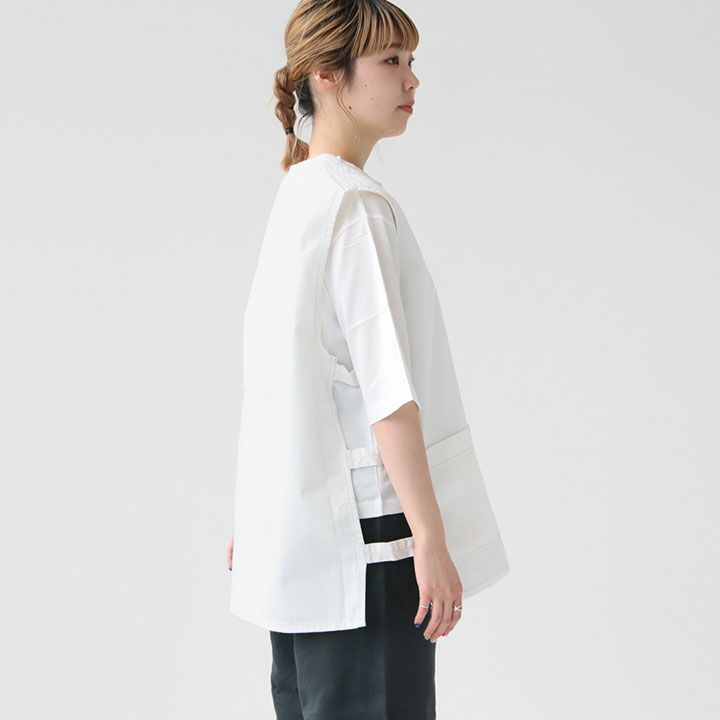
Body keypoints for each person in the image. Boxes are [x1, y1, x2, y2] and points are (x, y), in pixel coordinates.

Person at [227, 1, 510, 718]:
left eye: (411, 61)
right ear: (329, 75)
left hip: (300, 547)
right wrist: (431, 539)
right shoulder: (353, 207)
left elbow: (280, 385)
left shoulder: (300, 194)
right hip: (367, 553)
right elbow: (389, 393)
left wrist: (258, 518)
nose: (412, 79)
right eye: (391, 61)